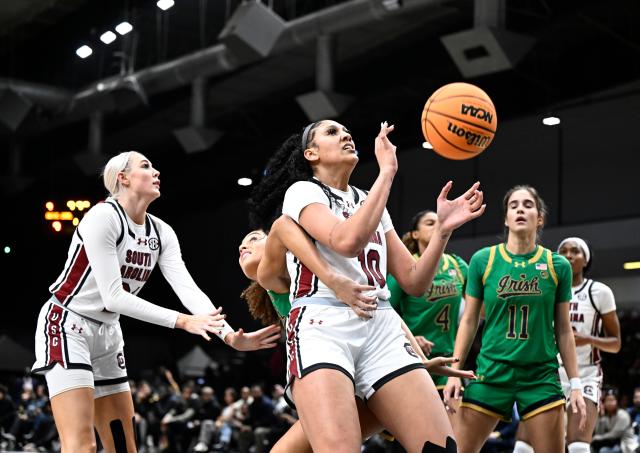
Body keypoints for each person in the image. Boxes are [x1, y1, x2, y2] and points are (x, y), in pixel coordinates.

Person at [250, 119, 485, 452]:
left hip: (381, 325)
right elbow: (345, 241)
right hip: (323, 324)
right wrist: (386, 173)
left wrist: (443, 231)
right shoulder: (303, 192)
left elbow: (415, 281)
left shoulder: (370, 201)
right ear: (311, 153)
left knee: (442, 447)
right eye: (332, 132)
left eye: (347, 130)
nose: (346, 134)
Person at [30, 151, 281, 453]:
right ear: (122, 178)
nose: (156, 171)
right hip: (67, 323)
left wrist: (227, 336)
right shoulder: (103, 217)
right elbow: (114, 296)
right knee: (82, 446)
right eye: (146, 166)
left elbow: (188, 289)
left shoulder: (161, 232)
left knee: (124, 447)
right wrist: (183, 321)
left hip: (108, 331)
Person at [237, 216, 476, 453]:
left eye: (254, 238)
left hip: (366, 372)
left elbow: (382, 311)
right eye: (242, 244)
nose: (243, 246)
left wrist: (418, 361)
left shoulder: (303, 270)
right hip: (348, 380)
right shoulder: (276, 282)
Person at [443, 184, 587, 453]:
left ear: (540, 218)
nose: (520, 209)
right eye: (513, 205)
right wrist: (454, 372)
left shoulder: (558, 266)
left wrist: (576, 384)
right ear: (507, 219)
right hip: (491, 372)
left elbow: (564, 331)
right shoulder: (483, 260)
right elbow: (470, 320)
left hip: (540, 376)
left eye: (528, 205)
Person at [515, 236, 622, 453]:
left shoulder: (599, 292)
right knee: (523, 447)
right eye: (563, 251)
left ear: (586, 260)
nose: (569, 255)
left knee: (578, 447)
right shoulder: (545, 289)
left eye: (575, 251)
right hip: (546, 373)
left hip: (584, 375)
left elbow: (616, 343)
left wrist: (588, 339)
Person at [388, 210, 468, 403]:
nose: (437, 225)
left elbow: (479, 311)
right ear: (415, 234)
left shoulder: (457, 265)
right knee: (406, 432)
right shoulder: (406, 266)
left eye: (439, 222)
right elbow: (384, 312)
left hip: (447, 362)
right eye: (430, 223)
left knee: (450, 432)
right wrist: (410, 338)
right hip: (411, 359)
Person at [592, 388, 638, 453]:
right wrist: (601, 417)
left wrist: (596, 438)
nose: (610, 403)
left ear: (617, 402)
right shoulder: (605, 416)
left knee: (603, 451)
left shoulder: (623, 415)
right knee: (592, 448)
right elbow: (598, 432)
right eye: (607, 400)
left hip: (625, 446)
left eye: (612, 400)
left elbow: (614, 435)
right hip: (611, 444)